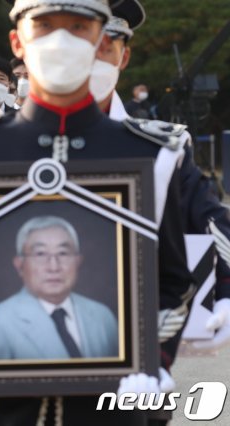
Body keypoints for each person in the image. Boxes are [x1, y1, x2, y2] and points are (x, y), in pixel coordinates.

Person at [0, 0, 194, 424]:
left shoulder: (146, 151)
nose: (61, 40)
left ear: (100, 39)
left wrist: (154, 358)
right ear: (18, 41)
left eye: (77, 27)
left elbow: (173, 280)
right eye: (45, 26)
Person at [90, 0, 230, 352]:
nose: (91, 57)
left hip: (137, 347)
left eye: (105, 46)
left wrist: (226, 291)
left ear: (124, 57)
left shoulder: (160, 148)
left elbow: (212, 224)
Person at [0, 216, 118, 360]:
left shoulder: (103, 316)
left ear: (78, 261)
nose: (53, 267)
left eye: (63, 253)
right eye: (40, 254)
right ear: (19, 265)